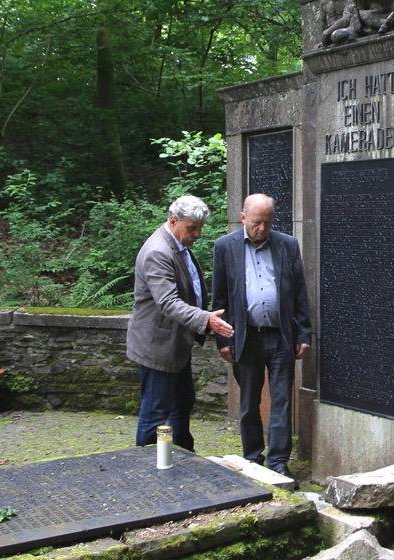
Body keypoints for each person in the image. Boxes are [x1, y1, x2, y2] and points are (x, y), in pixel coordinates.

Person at [212, 194, 312, 477]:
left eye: (268, 222)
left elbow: (299, 294)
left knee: (281, 400)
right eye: (257, 222)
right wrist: (224, 340)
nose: (263, 228)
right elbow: (219, 298)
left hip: (281, 336)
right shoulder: (225, 247)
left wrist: (304, 333)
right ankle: (252, 457)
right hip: (245, 337)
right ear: (243, 217)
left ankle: (278, 461)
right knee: (249, 402)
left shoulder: (287, 245)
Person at [128, 195, 234, 450]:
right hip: (157, 347)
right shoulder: (158, 251)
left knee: (182, 402)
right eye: (192, 228)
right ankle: (143, 467)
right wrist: (205, 319)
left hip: (175, 344)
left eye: (200, 227)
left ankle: (183, 454)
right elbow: (168, 302)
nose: (197, 234)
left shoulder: (177, 244)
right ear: (173, 221)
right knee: (155, 412)